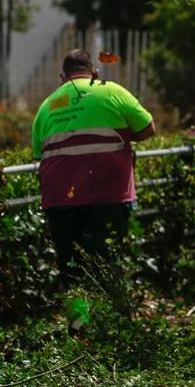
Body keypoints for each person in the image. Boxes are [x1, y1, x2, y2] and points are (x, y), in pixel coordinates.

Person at [31, 49, 155, 326]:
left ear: (62, 78)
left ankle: (79, 328)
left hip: (59, 199)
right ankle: (115, 327)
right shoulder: (111, 91)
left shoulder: (48, 105)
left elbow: (38, 153)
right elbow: (148, 129)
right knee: (107, 260)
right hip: (106, 196)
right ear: (94, 72)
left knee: (70, 266)